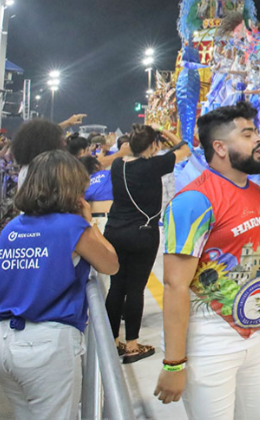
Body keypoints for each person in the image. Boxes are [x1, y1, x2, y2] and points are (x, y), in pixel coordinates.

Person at [154, 101, 260, 419]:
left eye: (256, 132)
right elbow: (174, 284)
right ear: (219, 147)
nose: (258, 139)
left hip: (257, 335)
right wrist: (174, 362)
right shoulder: (194, 200)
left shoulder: (257, 194)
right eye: (247, 134)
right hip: (209, 338)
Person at [0, 151, 119, 419]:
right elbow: (111, 264)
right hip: (47, 346)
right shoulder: (71, 227)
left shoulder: (13, 228)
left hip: (2, 341)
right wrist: (88, 222)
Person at [105, 124, 190, 363]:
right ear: (153, 145)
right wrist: (165, 132)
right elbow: (185, 149)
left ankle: (113, 341)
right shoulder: (155, 165)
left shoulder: (117, 165)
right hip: (143, 234)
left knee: (116, 287)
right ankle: (132, 344)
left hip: (114, 231)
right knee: (135, 289)